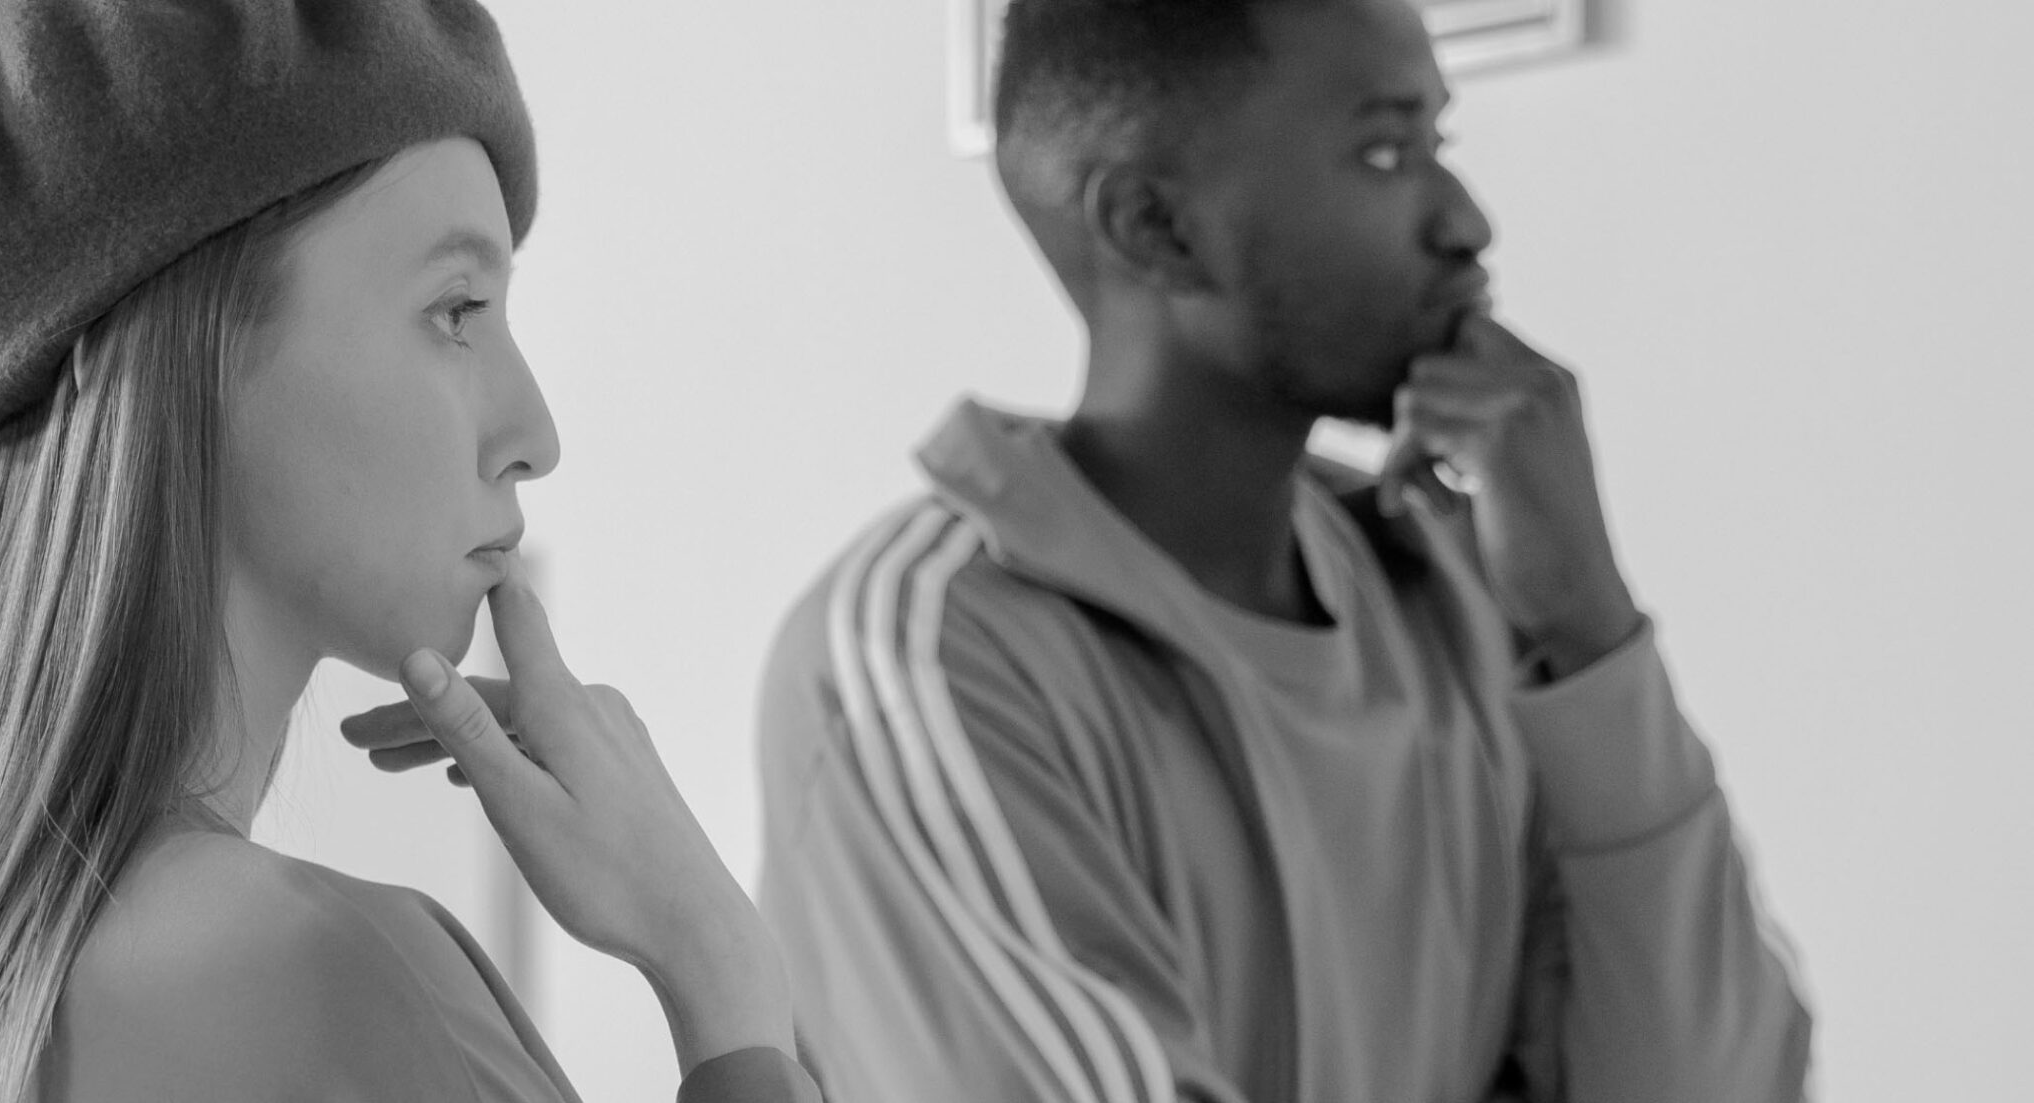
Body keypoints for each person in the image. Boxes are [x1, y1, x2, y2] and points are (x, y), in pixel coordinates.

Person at [751, 1, 1813, 1101]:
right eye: (1384, 151)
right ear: (1155, 227)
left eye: (1437, 141)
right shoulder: (927, 661)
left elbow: (1719, 1083)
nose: (1467, 221)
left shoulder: (1457, 595)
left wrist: (1587, 627)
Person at [0, 2, 816, 1100]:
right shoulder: (317, 971)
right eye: (457, 309)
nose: (534, 435)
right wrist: (720, 968)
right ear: (191, 357)